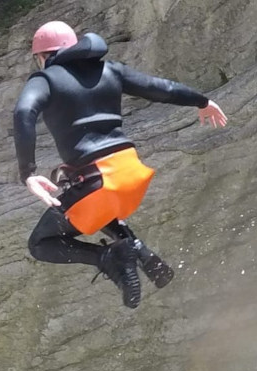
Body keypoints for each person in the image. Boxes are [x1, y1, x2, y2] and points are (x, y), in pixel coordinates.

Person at [13, 21, 227, 309]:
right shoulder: (110, 69)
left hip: (95, 181)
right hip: (130, 176)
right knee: (93, 205)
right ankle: (139, 250)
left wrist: (28, 172)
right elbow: (159, 88)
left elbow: (24, 112)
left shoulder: (46, 79)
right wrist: (203, 101)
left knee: (40, 244)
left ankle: (109, 258)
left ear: (42, 56)